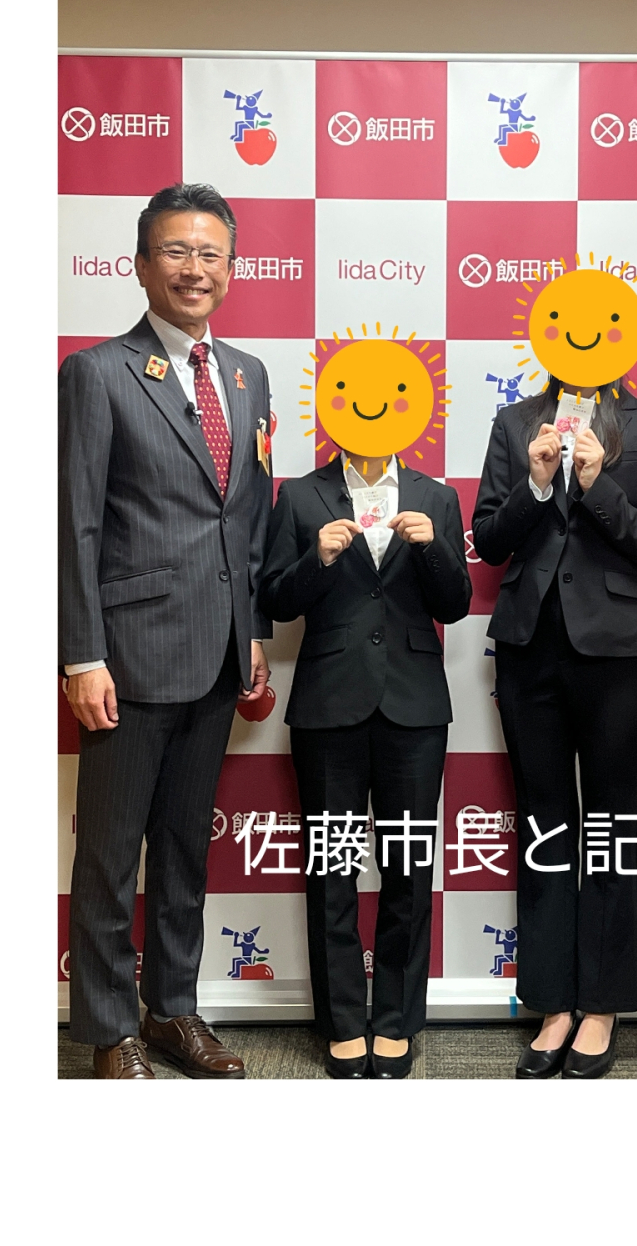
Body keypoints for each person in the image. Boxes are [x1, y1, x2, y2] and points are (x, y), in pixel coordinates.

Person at [59, 182, 273, 1079]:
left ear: (231, 267)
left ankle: (172, 1012)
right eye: (176, 252)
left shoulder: (247, 374)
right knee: (112, 855)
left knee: (186, 847)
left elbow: (248, 517)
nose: (195, 269)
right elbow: (75, 524)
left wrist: (253, 632)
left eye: (210, 253)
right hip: (130, 656)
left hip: (220, 654)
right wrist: (82, 654)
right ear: (142, 265)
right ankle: (108, 1030)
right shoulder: (98, 373)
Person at [473, 375, 637, 1078]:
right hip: (529, 649)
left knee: (612, 822)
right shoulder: (514, 423)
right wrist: (536, 485)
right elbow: (488, 539)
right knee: (543, 824)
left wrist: (598, 486)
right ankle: (552, 1001)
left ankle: (602, 1003)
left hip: (618, 653)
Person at [259, 445, 471, 1079]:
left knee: (409, 871)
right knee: (333, 872)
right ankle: (344, 1023)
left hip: (415, 707)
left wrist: (433, 547)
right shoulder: (301, 495)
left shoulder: (436, 496)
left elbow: (456, 603)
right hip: (329, 706)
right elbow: (276, 598)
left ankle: (396, 1021)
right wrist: (317, 558)